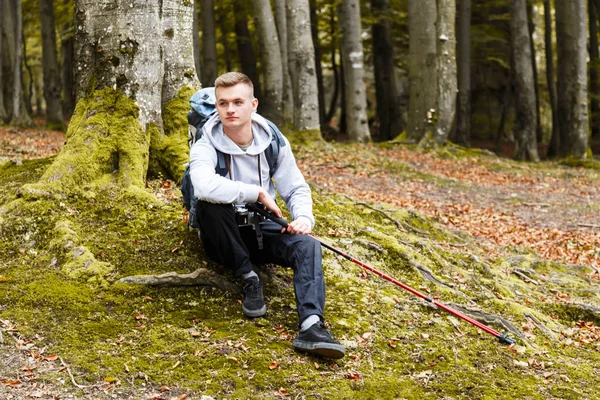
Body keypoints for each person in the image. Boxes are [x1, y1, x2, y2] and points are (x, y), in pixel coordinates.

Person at [189, 72, 345, 359]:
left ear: (254, 104)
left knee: (308, 245)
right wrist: (255, 192)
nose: (230, 109)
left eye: (238, 102)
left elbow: (295, 187)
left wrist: (303, 219)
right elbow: (202, 185)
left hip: (262, 228)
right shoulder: (205, 142)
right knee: (211, 205)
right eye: (223, 103)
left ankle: (312, 326)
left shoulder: (273, 139)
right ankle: (248, 276)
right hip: (223, 235)